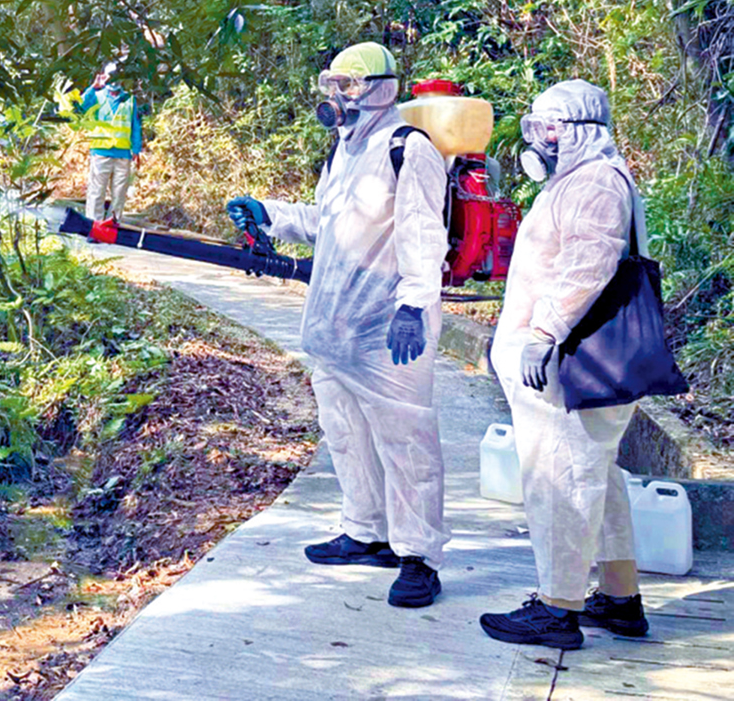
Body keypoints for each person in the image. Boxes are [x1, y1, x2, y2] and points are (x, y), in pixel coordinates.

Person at [226, 42, 451, 608]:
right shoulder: (345, 149)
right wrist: (270, 214)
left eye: (348, 85)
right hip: (335, 328)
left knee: (406, 442)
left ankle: (418, 557)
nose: (337, 96)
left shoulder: (408, 148)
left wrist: (413, 306)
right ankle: (365, 531)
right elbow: (326, 222)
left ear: (381, 89)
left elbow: (424, 233)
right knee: (346, 433)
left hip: (388, 331)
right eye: (331, 84)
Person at [479, 79, 647, 650]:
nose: (541, 140)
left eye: (551, 128)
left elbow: (588, 264)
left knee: (559, 480)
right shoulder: (579, 179)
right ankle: (620, 598)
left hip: (567, 362)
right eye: (536, 127)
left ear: (581, 130)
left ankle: (557, 608)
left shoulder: (596, 181)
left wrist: (543, 334)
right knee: (596, 475)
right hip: (571, 360)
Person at [76, 68, 143, 222]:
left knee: (119, 194)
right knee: (96, 192)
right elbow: (80, 107)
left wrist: (136, 149)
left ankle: (113, 224)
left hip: (123, 154)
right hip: (101, 152)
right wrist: (93, 87)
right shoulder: (96, 96)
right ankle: (94, 225)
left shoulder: (129, 100)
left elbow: (135, 125)